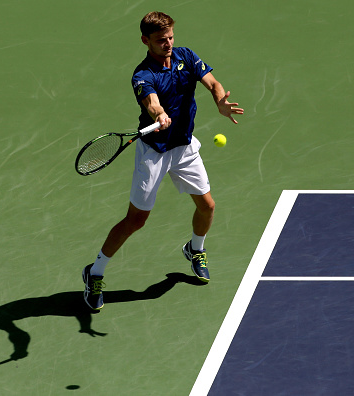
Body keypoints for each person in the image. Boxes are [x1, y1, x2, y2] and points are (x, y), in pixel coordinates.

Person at [82, 11, 244, 310]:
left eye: (170, 37)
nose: (168, 43)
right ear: (145, 41)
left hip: (183, 146)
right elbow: (152, 102)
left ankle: (195, 249)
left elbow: (212, 82)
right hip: (154, 153)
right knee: (136, 220)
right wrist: (159, 114)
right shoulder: (142, 75)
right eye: (160, 40)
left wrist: (220, 100)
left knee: (207, 205)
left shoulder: (186, 56)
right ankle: (95, 272)